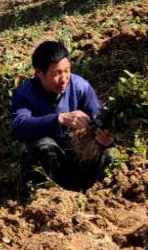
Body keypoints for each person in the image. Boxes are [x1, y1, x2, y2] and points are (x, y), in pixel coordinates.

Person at [10, 41, 114, 193]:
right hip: (46, 160)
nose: (64, 78)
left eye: (67, 71)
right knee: (44, 147)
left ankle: (90, 193)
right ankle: (49, 194)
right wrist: (59, 119)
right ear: (39, 73)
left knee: (103, 154)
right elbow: (20, 125)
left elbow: (100, 118)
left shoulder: (80, 87)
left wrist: (107, 137)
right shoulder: (24, 94)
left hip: (75, 154)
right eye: (56, 73)